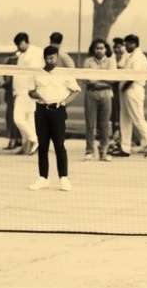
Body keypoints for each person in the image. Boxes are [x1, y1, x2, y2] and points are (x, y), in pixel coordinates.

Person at [27, 45, 81, 191]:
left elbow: (76, 91)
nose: (51, 60)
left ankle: (64, 178)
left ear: (57, 57)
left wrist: (64, 102)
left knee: (59, 145)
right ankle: (43, 178)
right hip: (41, 111)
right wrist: (35, 95)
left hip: (57, 111)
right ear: (44, 58)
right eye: (48, 57)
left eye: (54, 57)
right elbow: (30, 92)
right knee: (43, 145)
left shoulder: (64, 73)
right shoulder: (37, 73)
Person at [115, 34, 147, 158]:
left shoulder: (139, 57)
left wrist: (124, 88)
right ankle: (125, 148)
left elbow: (134, 75)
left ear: (134, 44)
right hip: (126, 90)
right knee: (124, 119)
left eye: (127, 44)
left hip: (133, 89)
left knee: (137, 117)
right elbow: (120, 66)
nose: (125, 46)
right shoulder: (129, 55)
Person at [82, 38, 116, 161]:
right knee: (90, 124)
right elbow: (87, 80)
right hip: (91, 94)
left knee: (105, 124)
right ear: (93, 49)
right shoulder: (88, 61)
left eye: (102, 48)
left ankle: (104, 151)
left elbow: (113, 79)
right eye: (97, 48)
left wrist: (97, 78)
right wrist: (103, 77)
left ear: (106, 49)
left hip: (106, 93)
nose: (99, 50)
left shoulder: (111, 61)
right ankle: (89, 150)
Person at [13, 32, 44, 155]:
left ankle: (34, 140)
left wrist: (34, 89)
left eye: (18, 45)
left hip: (27, 91)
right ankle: (28, 145)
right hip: (22, 91)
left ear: (23, 42)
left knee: (18, 118)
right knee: (29, 120)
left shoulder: (36, 53)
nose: (18, 48)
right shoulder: (23, 54)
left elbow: (35, 72)